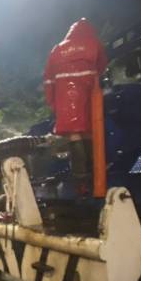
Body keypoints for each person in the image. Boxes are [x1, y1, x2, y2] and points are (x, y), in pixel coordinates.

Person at [43, 18, 108, 181]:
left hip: (64, 99)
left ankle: (80, 174)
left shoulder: (57, 49)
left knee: (74, 133)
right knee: (89, 131)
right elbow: (102, 65)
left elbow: (48, 79)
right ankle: (95, 169)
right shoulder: (94, 44)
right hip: (88, 94)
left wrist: (51, 101)